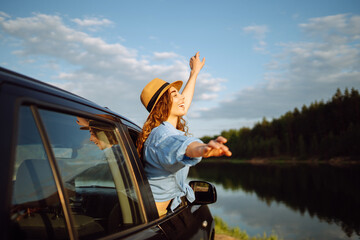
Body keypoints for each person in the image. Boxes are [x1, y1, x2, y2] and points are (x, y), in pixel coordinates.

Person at [137, 52, 232, 217]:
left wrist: (194, 73)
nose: (182, 98)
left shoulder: (162, 129)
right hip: (155, 217)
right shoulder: (162, 136)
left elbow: (184, 102)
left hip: (161, 211)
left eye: (180, 94)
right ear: (162, 105)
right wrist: (202, 148)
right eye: (175, 95)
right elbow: (180, 145)